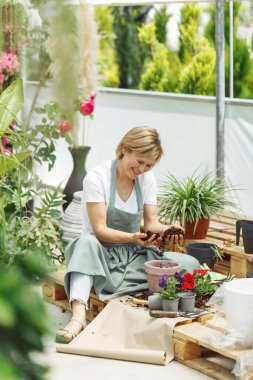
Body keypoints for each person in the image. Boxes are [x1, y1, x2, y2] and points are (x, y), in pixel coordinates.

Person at [56, 126, 199, 343]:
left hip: (132, 255)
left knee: (189, 263)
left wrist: (168, 229)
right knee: (85, 243)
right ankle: (78, 316)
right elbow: (100, 230)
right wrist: (132, 237)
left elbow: (152, 223)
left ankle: (114, 284)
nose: (142, 169)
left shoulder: (147, 180)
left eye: (149, 165)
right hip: (99, 253)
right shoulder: (97, 177)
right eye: (140, 162)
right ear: (125, 149)